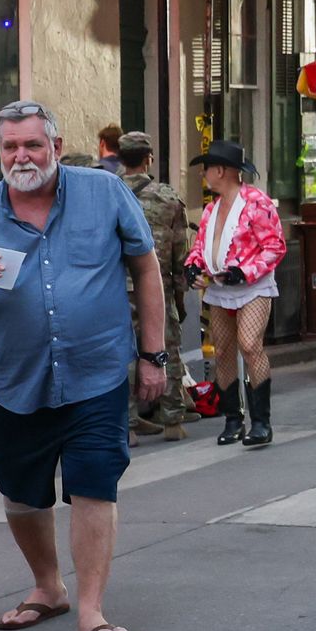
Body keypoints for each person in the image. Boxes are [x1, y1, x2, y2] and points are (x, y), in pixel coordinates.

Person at [0, 99, 167, 631]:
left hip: (96, 372)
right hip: (16, 379)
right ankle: (47, 586)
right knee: (21, 494)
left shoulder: (103, 192)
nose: (21, 156)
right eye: (10, 146)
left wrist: (153, 355)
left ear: (55, 147)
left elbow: (146, 266)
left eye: (32, 144)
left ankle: (92, 614)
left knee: (94, 483)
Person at [185, 140, 285, 448]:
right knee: (224, 350)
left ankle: (261, 422)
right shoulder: (211, 210)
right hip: (219, 289)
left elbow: (275, 247)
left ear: (221, 171)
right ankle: (233, 419)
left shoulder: (257, 202)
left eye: (206, 169)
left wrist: (245, 271)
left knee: (249, 344)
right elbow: (201, 247)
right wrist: (193, 266)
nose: (203, 174)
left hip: (253, 287)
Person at [118, 132, 192, 442]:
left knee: (125, 352)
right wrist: (180, 292)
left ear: (121, 159)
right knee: (166, 348)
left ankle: (129, 423)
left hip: (117, 287)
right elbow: (180, 252)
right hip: (157, 286)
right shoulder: (167, 197)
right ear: (149, 158)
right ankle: (173, 419)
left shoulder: (111, 193)